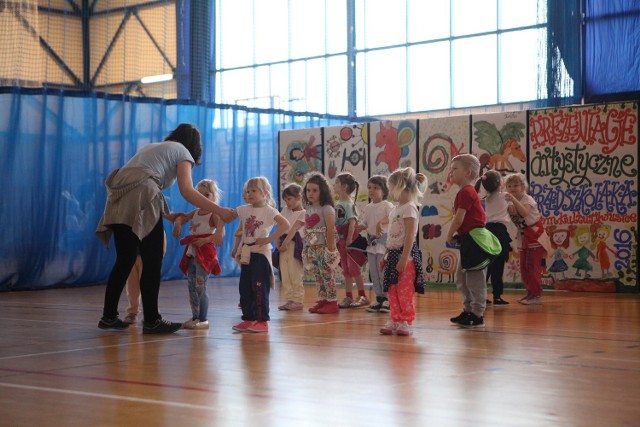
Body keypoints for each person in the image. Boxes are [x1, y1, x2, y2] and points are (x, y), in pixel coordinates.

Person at [96, 123, 237, 334]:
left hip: (118, 196)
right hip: (141, 193)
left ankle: (108, 316)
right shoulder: (182, 152)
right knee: (152, 260)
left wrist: (167, 215)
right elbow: (187, 191)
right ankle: (152, 320)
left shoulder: (154, 147)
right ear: (194, 145)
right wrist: (220, 210)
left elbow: (139, 187)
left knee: (125, 259)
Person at [232, 177, 289, 333]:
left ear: (265, 193)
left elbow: (285, 225)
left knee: (259, 287)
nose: (250, 194)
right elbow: (237, 226)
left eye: (254, 190)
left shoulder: (270, 211)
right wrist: (236, 248)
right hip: (246, 254)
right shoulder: (243, 210)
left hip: (260, 255)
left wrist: (268, 239)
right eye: (247, 191)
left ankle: (262, 320)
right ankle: (248, 318)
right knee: (245, 287)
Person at [379, 167, 427, 336]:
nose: (390, 191)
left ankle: (406, 320)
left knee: (404, 290)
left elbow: (409, 236)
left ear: (400, 187)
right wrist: (385, 255)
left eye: (391, 187)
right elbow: (391, 236)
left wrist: (404, 258)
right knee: (392, 289)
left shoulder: (410, 208)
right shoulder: (395, 209)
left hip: (405, 257)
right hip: (392, 254)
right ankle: (395, 319)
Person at [173, 179, 225, 330]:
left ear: (214, 197)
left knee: (201, 286)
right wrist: (177, 223)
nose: (202, 198)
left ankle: (203, 319)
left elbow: (220, 232)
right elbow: (181, 217)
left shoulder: (213, 214)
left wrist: (208, 239)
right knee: (191, 287)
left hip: (205, 252)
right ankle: (195, 316)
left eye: (206, 195)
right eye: (199, 195)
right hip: (192, 251)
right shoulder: (195, 212)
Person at [447, 154, 489, 328]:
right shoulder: (463, 192)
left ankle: (478, 314)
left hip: (474, 242)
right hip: (467, 240)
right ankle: (468, 310)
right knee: (462, 278)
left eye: (455, 168)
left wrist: (449, 234)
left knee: (474, 279)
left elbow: (459, 219)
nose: (451, 172)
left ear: (467, 172)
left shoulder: (466, 192)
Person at [504, 173, 551, 305]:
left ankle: (536, 295)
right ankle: (530, 293)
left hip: (535, 236)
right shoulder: (510, 201)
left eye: (516, 185)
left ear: (523, 187)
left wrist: (513, 199)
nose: (512, 188)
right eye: (509, 186)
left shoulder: (527, 199)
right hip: (524, 236)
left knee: (532, 266)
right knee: (524, 268)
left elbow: (524, 213)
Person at [302, 173, 341, 314]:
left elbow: (331, 229)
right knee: (318, 275)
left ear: (322, 191)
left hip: (324, 247)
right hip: (312, 247)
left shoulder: (327, 208)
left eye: (314, 190)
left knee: (327, 275)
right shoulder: (308, 208)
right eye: (308, 190)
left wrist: (330, 250)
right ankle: (323, 299)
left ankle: (332, 302)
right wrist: (307, 248)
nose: (310, 193)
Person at [357, 175, 394, 313]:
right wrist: (359, 226)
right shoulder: (368, 207)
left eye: (376, 188)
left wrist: (380, 223)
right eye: (370, 188)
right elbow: (365, 223)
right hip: (371, 244)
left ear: (384, 191)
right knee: (373, 272)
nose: (371, 190)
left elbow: (392, 216)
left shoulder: (387, 205)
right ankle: (379, 298)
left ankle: (388, 299)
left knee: (383, 271)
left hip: (382, 244)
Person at [475, 170, 512, 305]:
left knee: (488, 265)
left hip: (488, 230)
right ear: (500, 183)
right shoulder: (506, 196)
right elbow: (512, 211)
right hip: (500, 231)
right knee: (498, 265)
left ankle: (482, 295)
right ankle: (497, 296)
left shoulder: (487, 198)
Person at [334, 172, 369, 309]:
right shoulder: (338, 203)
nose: (334, 185)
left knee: (354, 269)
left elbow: (352, 222)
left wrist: (349, 239)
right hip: (341, 242)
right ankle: (348, 296)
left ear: (344, 186)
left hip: (350, 242)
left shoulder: (350, 205)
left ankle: (362, 295)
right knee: (346, 270)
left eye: (336, 183)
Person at [123, 232, 167, 324]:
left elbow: (161, 237)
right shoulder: (131, 223)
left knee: (149, 286)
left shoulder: (152, 221)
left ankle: (152, 312)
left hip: (147, 258)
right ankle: (132, 312)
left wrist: (158, 256)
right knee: (132, 287)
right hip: (131, 257)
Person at [275, 183, 306, 311]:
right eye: (285, 200)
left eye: (289, 199)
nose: (287, 202)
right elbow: (280, 226)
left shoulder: (304, 212)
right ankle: (289, 299)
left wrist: (286, 243)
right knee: (285, 272)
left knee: (295, 272)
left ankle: (298, 300)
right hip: (283, 243)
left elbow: (294, 229)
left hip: (294, 244)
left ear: (298, 197)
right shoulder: (285, 210)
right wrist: (277, 242)